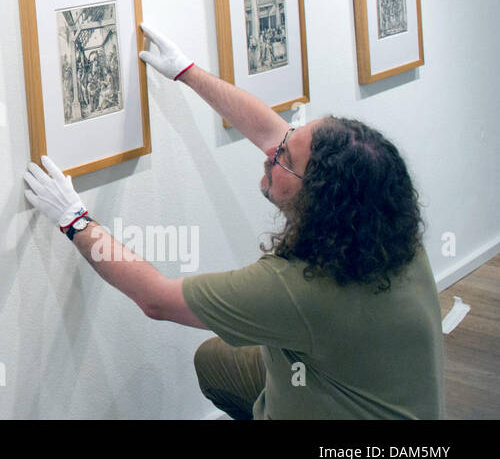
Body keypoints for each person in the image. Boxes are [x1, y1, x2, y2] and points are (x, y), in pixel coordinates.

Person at [22, 22, 444, 419]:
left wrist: (74, 221)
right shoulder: (386, 229)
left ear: (319, 197)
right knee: (215, 359)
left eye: (285, 158)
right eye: (285, 141)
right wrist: (187, 72)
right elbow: (270, 133)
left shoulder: (298, 288)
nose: (270, 152)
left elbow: (158, 300)